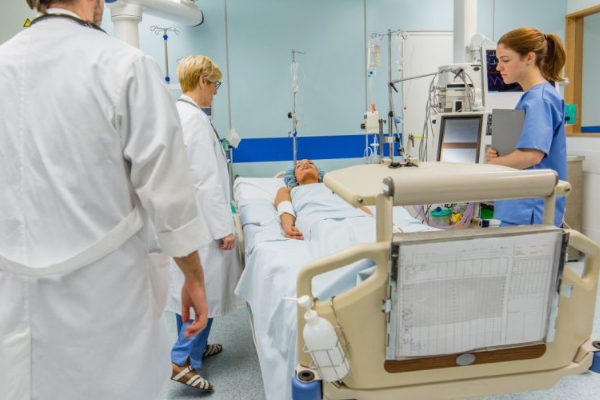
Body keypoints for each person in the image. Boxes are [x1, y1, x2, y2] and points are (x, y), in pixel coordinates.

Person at [0, 2, 209, 400]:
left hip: (13, 300)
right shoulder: (125, 66)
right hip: (105, 300)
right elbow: (169, 196)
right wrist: (195, 277)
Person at [166, 55, 241, 392]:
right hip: (202, 224)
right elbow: (205, 180)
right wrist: (223, 228)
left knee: (188, 288)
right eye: (215, 84)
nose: (215, 91)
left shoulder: (179, 114)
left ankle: (196, 348)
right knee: (203, 288)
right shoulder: (195, 120)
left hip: (186, 219)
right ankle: (182, 360)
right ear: (202, 81)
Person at [485, 27, 567, 227]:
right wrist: (499, 155)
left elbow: (531, 156)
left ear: (529, 58)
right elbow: (523, 149)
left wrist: (492, 165)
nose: (499, 68)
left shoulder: (539, 99)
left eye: (505, 60)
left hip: (530, 209)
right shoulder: (531, 97)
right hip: (521, 208)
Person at [274, 159, 372, 240]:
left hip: (356, 216)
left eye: (310, 163)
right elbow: (285, 208)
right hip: (317, 220)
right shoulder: (289, 190)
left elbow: (355, 201)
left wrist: (369, 217)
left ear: (319, 174)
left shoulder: (334, 186)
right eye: (299, 166)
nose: (305, 164)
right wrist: (287, 226)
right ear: (295, 178)